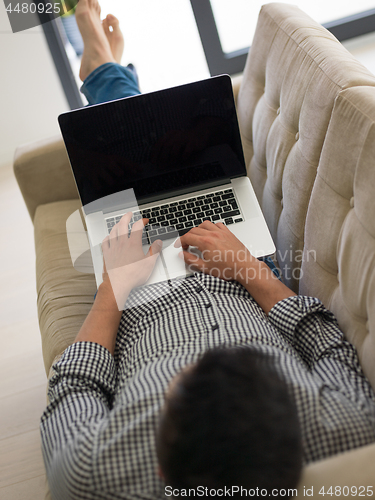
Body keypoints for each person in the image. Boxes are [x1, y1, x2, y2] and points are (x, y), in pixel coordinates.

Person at [40, 1, 375, 498]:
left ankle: (102, 71)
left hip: (136, 297)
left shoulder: (89, 472)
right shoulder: (344, 429)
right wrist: (245, 266)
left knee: (139, 176)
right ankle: (106, 71)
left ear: (163, 461)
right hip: (244, 276)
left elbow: (75, 385)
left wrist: (114, 284)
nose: (204, 353)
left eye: (179, 380)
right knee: (186, 161)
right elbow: (323, 342)